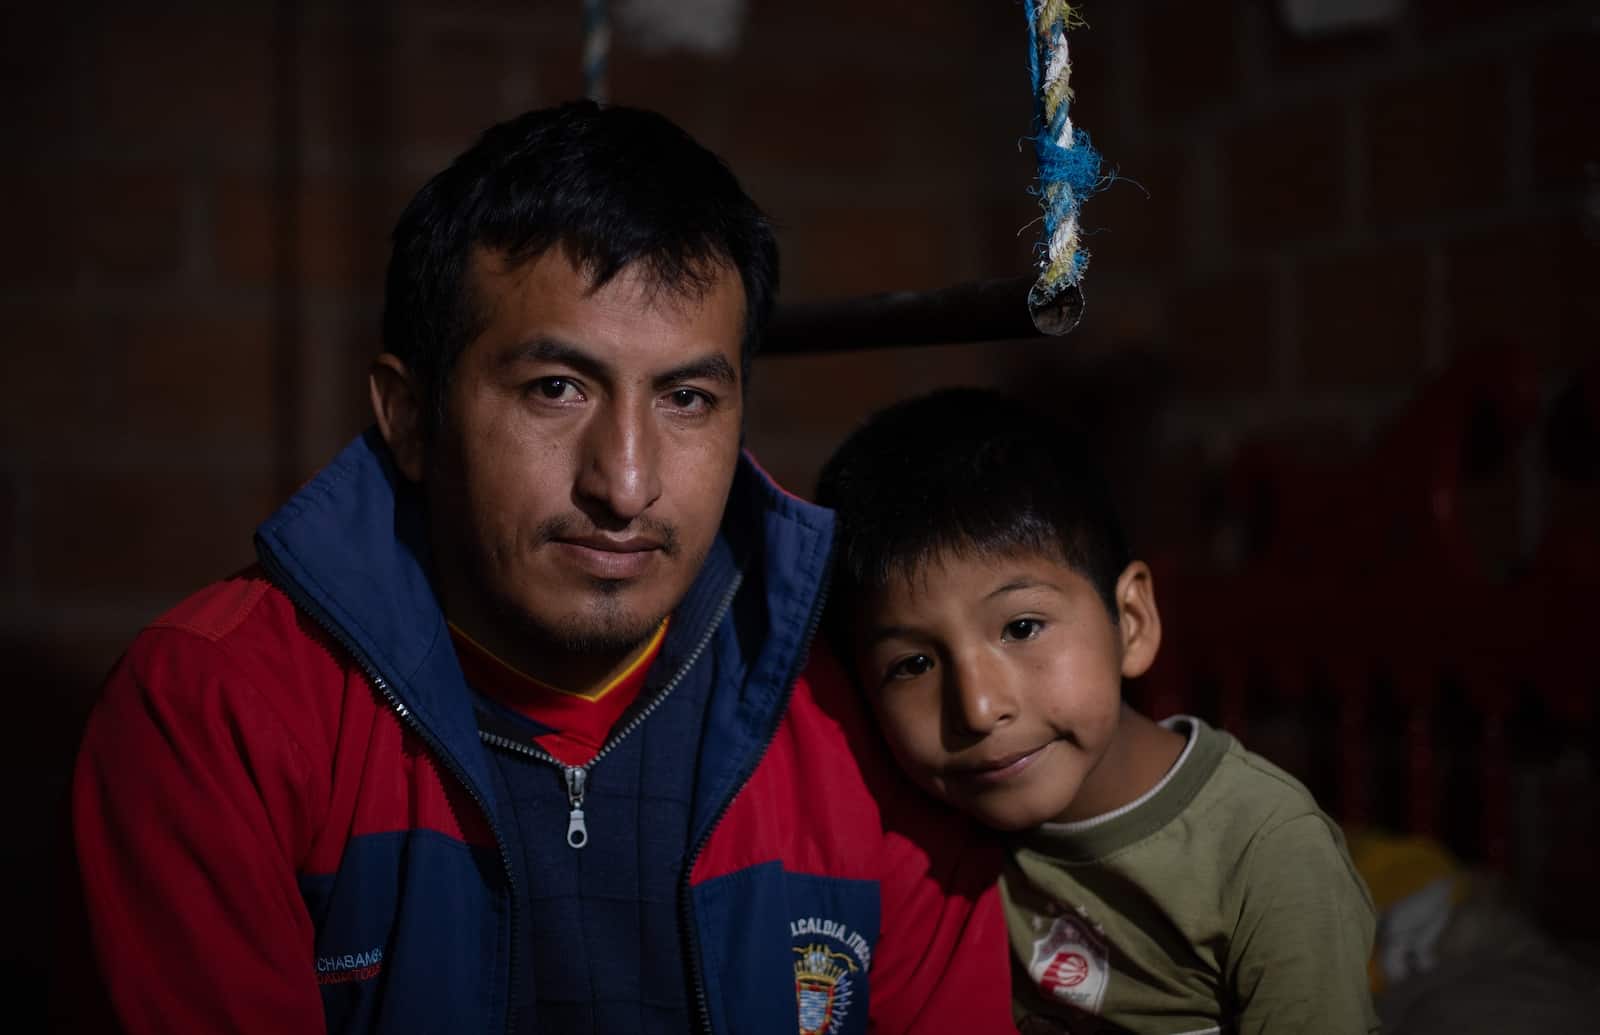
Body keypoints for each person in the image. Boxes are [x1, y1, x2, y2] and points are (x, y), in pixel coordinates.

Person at [69, 102, 1012, 1034]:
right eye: (556, 389)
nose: (627, 483)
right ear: (408, 416)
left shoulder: (857, 708)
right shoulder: (221, 706)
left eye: (686, 398)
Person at [815, 387, 1380, 1034]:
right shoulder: (934, 836)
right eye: (912, 664)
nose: (976, 707)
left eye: (1023, 626)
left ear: (1132, 623)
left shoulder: (1266, 849)